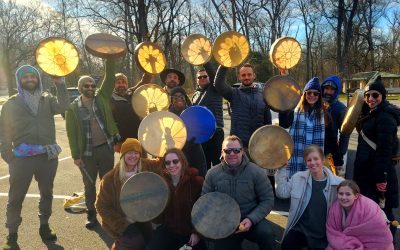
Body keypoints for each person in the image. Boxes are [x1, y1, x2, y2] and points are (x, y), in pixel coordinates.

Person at [0, 65, 69, 249]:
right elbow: (4, 133)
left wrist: (60, 85)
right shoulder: (11, 104)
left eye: (33, 76)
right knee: (16, 198)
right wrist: (9, 157)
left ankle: (44, 226)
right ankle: (11, 234)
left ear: (38, 78)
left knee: (47, 194)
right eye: (25, 77)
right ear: (19, 81)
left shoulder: (47, 99)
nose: (30, 79)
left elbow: (64, 106)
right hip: (21, 159)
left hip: (47, 157)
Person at [65, 59, 120, 229]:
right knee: (89, 185)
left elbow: (110, 77)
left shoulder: (101, 97)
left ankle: (109, 212)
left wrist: (108, 58)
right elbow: (71, 133)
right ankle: (91, 214)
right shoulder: (73, 108)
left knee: (107, 182)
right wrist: (75, 156)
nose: (90, 88)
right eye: (86, 86)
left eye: (92, 85)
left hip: (105, 149)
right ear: (80, 88)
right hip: (86, 154)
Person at [202, 135, 276, 250]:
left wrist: (251, 219)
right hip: (226, 223)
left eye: (236, 150)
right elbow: (206, 201)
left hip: (252, 219)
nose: (232, 154)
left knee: (266, 234)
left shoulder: (256, 172)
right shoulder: (212, 174)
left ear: (242, 151)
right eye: (228, 150)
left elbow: (268, 200)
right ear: (222, 152)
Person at [353, 75, 400, 238]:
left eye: (375, 95)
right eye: (367, 95)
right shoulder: (372, 113)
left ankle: (388, 244)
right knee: (371, 211)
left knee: (384, 213)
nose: (370, 98)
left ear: (382, 96)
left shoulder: (385, 117)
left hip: (377, 174)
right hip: (367, 172)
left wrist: (381, 178)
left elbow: (384, 152)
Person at [96, 138, 163, 250]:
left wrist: (166, 140)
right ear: (123, 155)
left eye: (136, 153)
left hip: (143, 217)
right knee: (135, 242)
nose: (133, 156)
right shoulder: (110, 178)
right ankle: (120, 246)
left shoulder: (146, 166)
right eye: (129, 153)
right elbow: (101, 206)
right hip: (123, 219)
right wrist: (122, 223)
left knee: (151, 242)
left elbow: (164, 162)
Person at [275, 144, 342, 250]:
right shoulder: (298, 177)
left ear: (322, 160)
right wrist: (281, 169)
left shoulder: (338, 184)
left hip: (323, 235)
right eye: (309, 160)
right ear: (306, 163)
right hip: (300, 230)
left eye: (316, 159)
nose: (313, 163)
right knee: (287, 246)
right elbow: (281, 193)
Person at [146, 148, 206, 250]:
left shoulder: (196, 182)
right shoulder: (162, 184)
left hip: (190, 233)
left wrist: (197, 233)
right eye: (168, 163)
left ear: (182, 161)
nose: (172, 165)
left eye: (175, 161)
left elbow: (205, 211)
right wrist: (151, 208)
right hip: (169, 231)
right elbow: (159, 218)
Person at [214, 63, 271, 148]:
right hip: (238, 148)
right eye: (243, 75)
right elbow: (218, 83)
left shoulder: (263, 96)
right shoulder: (234, 94)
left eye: (249, 74)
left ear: (254, 76)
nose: (246, 77)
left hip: (258, 146)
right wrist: (224, 64)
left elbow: (268, 123)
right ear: (239, 77)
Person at [326, 180, 393, 250]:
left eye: (348, 194)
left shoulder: (369, 208)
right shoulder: (334, 209)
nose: (343, 197)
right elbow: (332, 233)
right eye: (341, 194)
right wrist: (349, 245)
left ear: (356, 196)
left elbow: (381, 235)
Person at [286, 77, 328, 178]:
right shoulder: (295, 111)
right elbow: (284, 124)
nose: (312, 96)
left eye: (315, 93)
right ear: (304, 94)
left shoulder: (324, 114)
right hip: (295, 156)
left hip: (313, 160)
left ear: (319, 96)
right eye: (309, 93)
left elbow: (330, 138)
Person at [169, 87, 207, 177]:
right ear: (171, 100)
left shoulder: (193, 112)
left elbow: (202, 129)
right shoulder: (167, 116)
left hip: (195, 150)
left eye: (182, 97)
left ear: (185, 99)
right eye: (175, 97)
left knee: (199, 177)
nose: (179, 99)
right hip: (177, 153)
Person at [192, 64, 224, 169]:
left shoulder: (214, 88)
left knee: (217, 164)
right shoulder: (195, 95)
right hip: (201, 135)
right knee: (203, 164)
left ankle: (218, 185)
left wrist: (206, 62)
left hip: (216, 133)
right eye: (199, 77)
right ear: (197, 80)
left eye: (205, 76)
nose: (202, 78)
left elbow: (214, 75)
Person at [110, 72, 152, 152]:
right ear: (114, 85)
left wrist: (149, 71)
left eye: (124, 82)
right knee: (128, 161)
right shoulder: (110, 99)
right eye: (118, 83)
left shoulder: (132, 92)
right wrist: (115, 141)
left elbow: (144, 82)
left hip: (139, 137)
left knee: (142, 161)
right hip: (122, 140)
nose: (121, 85)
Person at [321, 76, 349, 176]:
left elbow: (345, 133)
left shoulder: (341, 109)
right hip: (314, 149)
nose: (328, 92)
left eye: (332, 89)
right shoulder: (316, 103)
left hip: (330, 152)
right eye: (326, 88)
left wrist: (340, 155)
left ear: (336, 90)